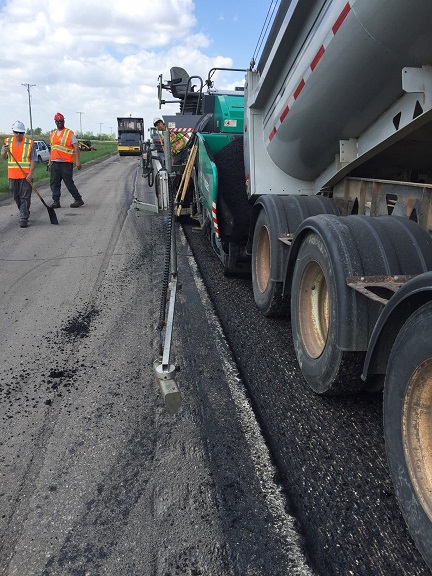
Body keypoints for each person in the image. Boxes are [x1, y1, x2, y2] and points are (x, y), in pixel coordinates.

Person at [1, 120, 37, 228]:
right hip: (12, 176)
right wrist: (4, 151)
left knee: (25, 197)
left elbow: (34, 159)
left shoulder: (30, 143)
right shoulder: (7, 142)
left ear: (23, 133)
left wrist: (30, 173)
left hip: (25, 176)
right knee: (16, 197)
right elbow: (3, 157)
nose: (18, 134)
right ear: (13, 132)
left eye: (20, 132)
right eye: (16, 132)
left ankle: (23, 217)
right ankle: (24, 211)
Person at [49, 112, 84, 208]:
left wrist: (78, 162)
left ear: (64, 121)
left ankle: (78, 199)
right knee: (54, 183)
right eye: (58, 121)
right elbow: (52, 148)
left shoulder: (69, 133)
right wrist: (50, 161)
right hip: (55, 163)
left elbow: (76, 147)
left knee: (68, 182)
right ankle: (56, 201)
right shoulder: (52, 134)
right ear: (55, 122)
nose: (59, 122)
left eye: (61, 121)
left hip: (66, 163)